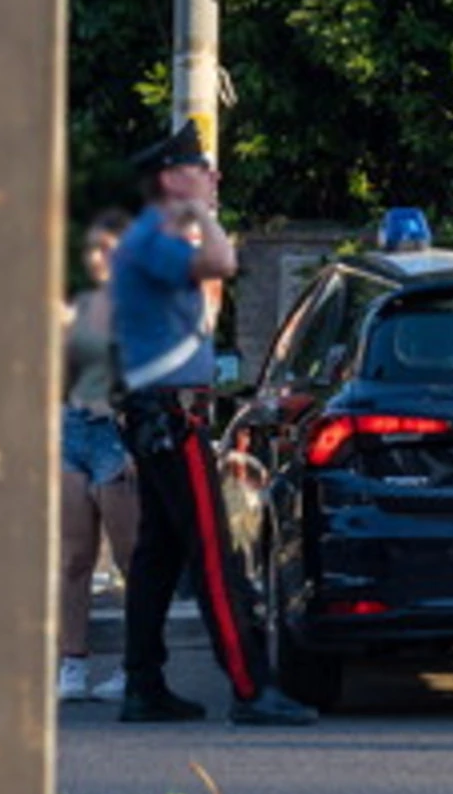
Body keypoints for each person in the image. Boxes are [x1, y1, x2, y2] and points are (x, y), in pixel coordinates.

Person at [109, 122, 315, 726]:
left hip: (159, 410)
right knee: (214, 555)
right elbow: (224, 261)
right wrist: (204, 212)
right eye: (201, 167)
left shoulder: (149, 235)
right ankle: (252, 688)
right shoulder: (154, 234)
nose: (213, 175)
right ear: (171, 177)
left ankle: (143, 684)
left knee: (158, 556)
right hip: (172, 414)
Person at [57, 210, 139, 704]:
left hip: (117, 433)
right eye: (93, 249)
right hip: (72, 430)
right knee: (74, 557)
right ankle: (72, 662)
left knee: (131, 559)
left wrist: (134, 443)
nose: (99, 258)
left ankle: (135, 665)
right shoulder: (79, 305)